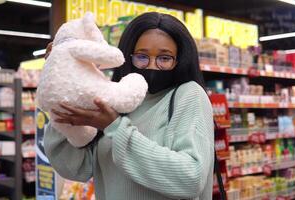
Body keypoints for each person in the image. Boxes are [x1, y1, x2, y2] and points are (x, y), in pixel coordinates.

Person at [44, 12, 214, 200]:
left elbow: (191, 178)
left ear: (180, 59)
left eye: (164, 58)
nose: (152, 66)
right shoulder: (117, 101)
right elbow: (76, 169)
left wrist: (115, 128)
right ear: (128, 56)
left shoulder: (188, 95)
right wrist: (63, 97)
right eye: (142, 56)